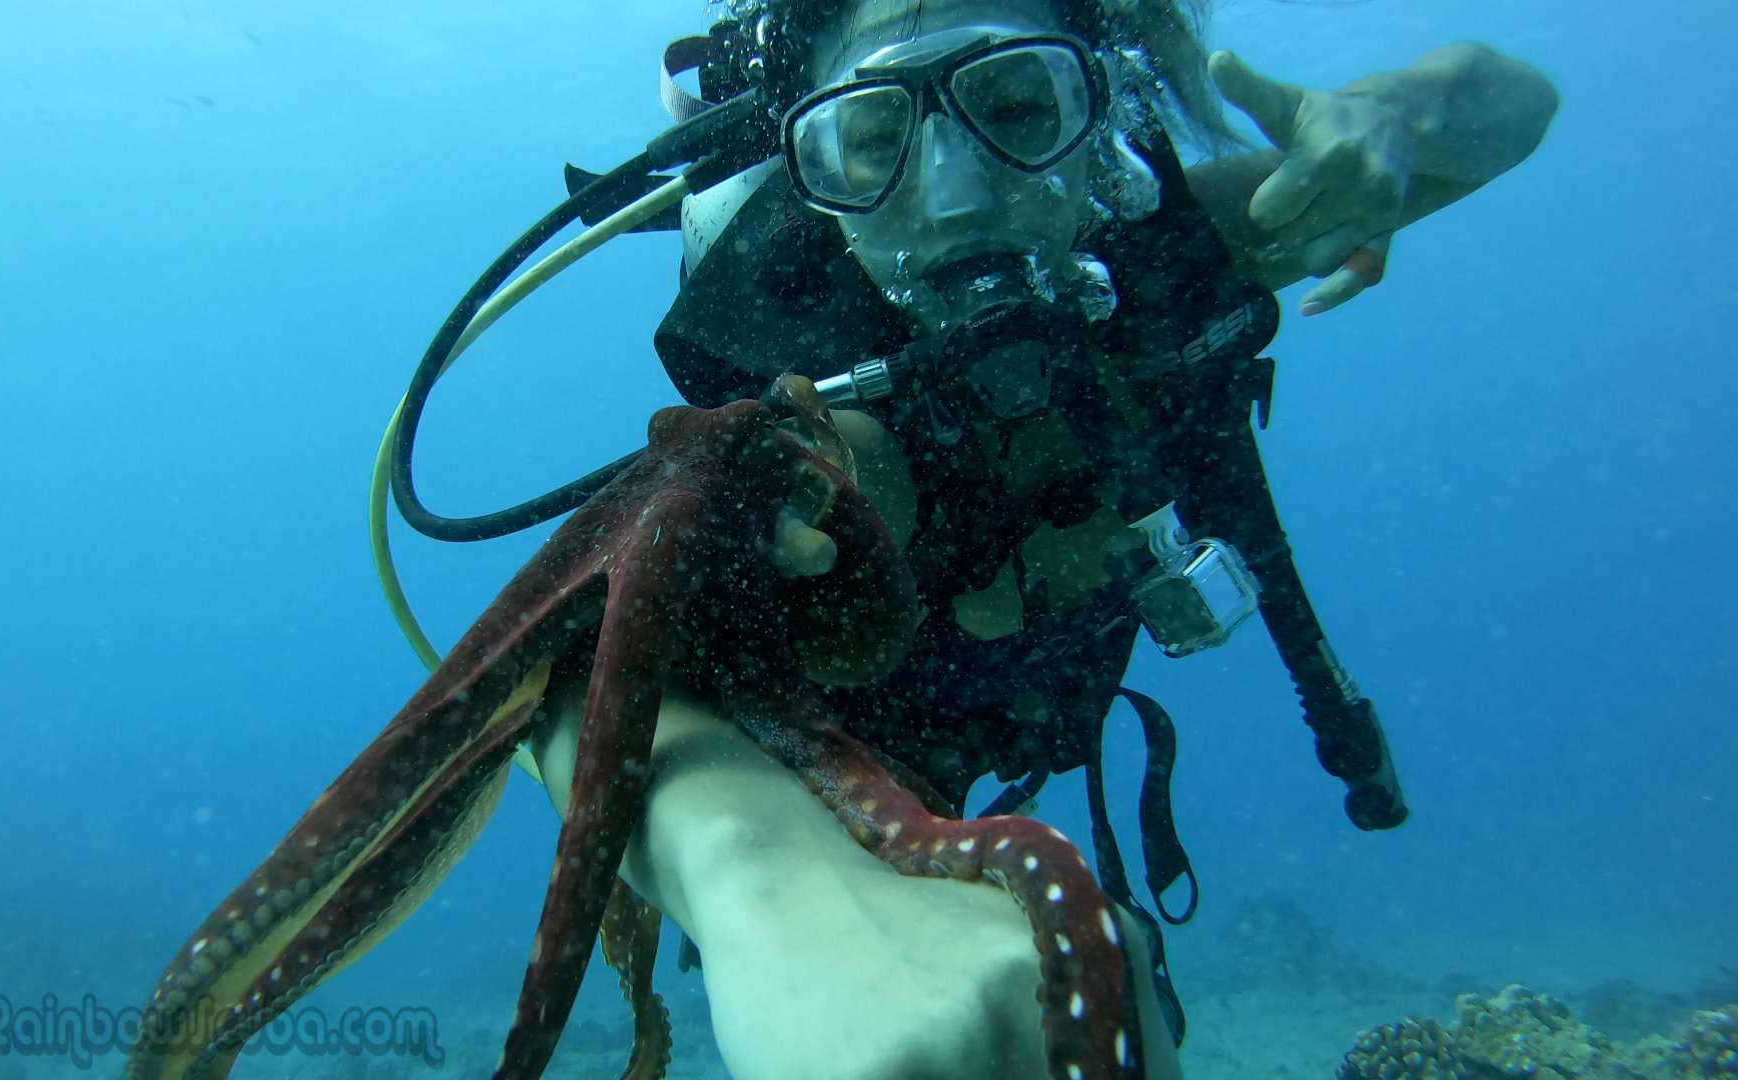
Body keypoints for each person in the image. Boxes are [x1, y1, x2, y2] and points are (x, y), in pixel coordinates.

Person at [518, 1, 1559, 1077]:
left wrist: (1390, 117)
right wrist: (773, 887)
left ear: (1100, 111)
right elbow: (581, 668)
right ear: (813, 180)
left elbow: (1514, 102)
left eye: (1016, 105)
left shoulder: (1178, 257)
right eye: (872, 139)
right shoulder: (822, 422)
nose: (956, 194)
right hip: (851, 755)